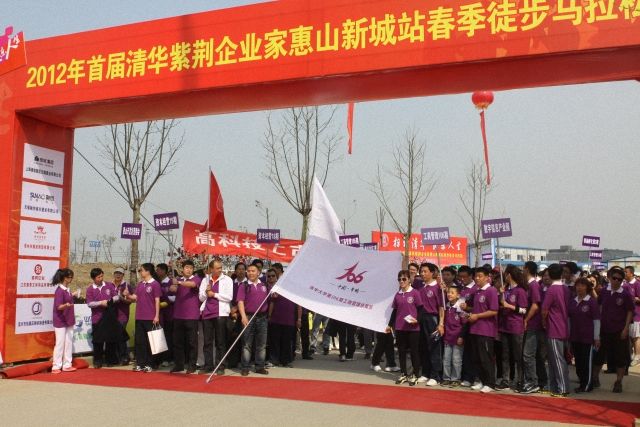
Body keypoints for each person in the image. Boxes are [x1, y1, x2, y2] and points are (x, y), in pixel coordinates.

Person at [593, 267, 634, 393]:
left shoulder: (625, 294)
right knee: (599, 356)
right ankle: (594, 378)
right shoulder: (604, 291)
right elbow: (599, 306)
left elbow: (630, 311)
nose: (616, 281)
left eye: (619, 279)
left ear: (622, 281)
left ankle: (618, 382)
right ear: (610, 278)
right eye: (614, 278)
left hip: (619, 331)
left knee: (620, 358)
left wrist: (626, 328)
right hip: (604, 329)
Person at [496, 265, 528, 391]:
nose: (504, 276)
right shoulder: (505, 290)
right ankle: (506, 380)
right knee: (505, 355)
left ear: (509, 275)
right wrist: (501, 294)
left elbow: (524, 310)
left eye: (505, 274)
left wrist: (509, 306)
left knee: (518, 355)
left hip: (516, 327)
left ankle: (520, 380)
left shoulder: (520, 291)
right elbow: (501, 304)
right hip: (504, 327)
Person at [389, 269, 423, 386]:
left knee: (414, 352)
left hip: (413, 328)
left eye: (404, 279)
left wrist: (417, 320)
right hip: (400, 328)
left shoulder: (415, 293)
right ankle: (403, 373)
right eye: (399, 279)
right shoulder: (398, 294)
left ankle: (415, 374)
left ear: (409, 280)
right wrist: (389, 325)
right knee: (401, 352)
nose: (401, 281)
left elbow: (421, 309)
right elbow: (394, 311)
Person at [199, 258, 233, 374]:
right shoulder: (205, 280)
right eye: (217, 268)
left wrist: (214, 294)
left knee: (220, 341)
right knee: (207, 341)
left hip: (221, 313)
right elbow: (201, 298)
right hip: (207, 313)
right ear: (211, 269)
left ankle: (220, 366)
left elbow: (229, 297)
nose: (220, 270)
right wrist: (206, 292)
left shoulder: (227, 279)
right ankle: (208, 365)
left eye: (220, 268)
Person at [125, 263, 161, 373]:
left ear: (148, 271)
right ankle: (140, 363)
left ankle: (150, 364)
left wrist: (156, 315)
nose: (140, 272)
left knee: (151, 342)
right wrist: (128, 295)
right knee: (140, 341)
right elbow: (135, 297)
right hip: (139, 316)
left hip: (150, 317)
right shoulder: (140, 284)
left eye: (142, 270)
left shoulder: (155, 284)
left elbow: (157, 300)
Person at [468, 265, 498, 393]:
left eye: (480, 276)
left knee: (486, 357)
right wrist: (467, 310)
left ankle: (490, 383)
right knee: (477, 357)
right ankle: (481, 380)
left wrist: (477, 316)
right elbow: (475, 309)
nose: (477, 278)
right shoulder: (477, 292)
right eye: (476, 276)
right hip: (475, 329)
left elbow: (494, 310)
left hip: (486, 330)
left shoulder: (491, 291)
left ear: (487, 277)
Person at [541, 263, 571, 397]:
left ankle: (563, 387)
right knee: (554, 359)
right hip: (563, 326)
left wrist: (543, 322)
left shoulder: (552, 289)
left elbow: (544, 310)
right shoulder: (565, 288)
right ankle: (553, 386)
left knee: (557, 359)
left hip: (554, 328)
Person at [568, 277, 600, 393]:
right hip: (575, 336)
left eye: (582, 285)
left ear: (587, 288)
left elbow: (596, 320)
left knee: (586, 362)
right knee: (578, 362)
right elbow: (569, 319)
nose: (579, 288)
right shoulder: (573, 301)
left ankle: (587, 385)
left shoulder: (591, 302)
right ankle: (582, 382)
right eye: (578, 285)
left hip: (587, 337)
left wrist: (596, 337)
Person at [170, 260, 202, 374]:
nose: (189, 270)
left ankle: (192, 365)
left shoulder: (196, 279)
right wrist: (173, 285)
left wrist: (178, 282)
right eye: (187, 267)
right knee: (177, 342)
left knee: (192, 342)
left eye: (191, 268)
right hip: (178, 315)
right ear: (182, 269)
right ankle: (179, 364)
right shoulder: (178, 280)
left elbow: (192, 285)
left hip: (191, 316)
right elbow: (172, 290)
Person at [237, 264, 270, 376]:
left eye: (253, 271)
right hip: (249, 317)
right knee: (247, 344)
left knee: (261, 344)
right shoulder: (244, 285)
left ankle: (260, 366)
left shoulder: (264, 285)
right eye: (249, 271)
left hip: (262, 317)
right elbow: (240, 301)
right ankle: (245, 367)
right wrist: (243, 316)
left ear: (258, 273)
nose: (250, 273)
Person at [521, 261, 546, 394]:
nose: (522, 271)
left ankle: (533, 382)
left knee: (528, 354)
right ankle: (534, 380)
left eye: (523, 268)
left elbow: (535, 305)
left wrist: (526, 319)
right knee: (532, 354)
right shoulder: (529, 285)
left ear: (527, 269)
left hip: (533, 324)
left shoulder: (534, 285)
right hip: (531, 324)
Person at [417, 262, 444, 386]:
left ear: (432, 273)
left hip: (433, 319)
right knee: (423, 347)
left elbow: (441, 307)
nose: (422, 274)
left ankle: (436, 376)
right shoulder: (421, 288)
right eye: (421, 271)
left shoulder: (438, 288)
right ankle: (425, 373)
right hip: (421, 319)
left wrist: (441, 323)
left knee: (434, 348)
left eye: (425, 271)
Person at [85, 268, 118, 368]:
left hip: (109, 317)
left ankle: (110, 360)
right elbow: (89, 303)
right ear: (93, 278)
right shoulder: (90, 289)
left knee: (110, 340)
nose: (101, 278)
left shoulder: (109, 285)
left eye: (101, 276)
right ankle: (98, 361)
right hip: (97, 318)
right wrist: (100, 303)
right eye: (98, 277)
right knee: (98, 341)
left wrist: (109, 301)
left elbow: (116, 297)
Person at [268, 269, 301, 367]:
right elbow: (272, 303)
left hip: (289, 320)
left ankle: (285, 361)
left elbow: (299, 306)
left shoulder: (295, 290)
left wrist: (299, 319)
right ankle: (274, 360)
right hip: (276, 319)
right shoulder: (277, 288)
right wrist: (269, 316)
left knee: (287, 342)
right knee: (275, 341)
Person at [442, 286, 467, 387]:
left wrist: (461, 336)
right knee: (446, 359)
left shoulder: (460, 308)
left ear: (458, 295)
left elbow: (464, 324)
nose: (449, 294)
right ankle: (446, 378)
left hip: (457, 338)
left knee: (456, 360)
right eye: (448, 292)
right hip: (447, 338)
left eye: (452, 292)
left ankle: (455, 379)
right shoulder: (446, 307)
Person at [52, 268, 76, 374]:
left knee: (68, 343)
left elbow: (68, 300)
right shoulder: (59, 291)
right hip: (60, 320)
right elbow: (58, 306)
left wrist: (73, 295)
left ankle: (67, 364)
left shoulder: (67, 290)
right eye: (69, 277)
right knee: (60, 343)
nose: (71, 279)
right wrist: (66, 305)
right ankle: (56, 366)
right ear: (64, 278)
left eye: (71, 277)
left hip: (69, 319)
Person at [458, 265, 477, 387]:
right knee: (463, 353)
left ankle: (472, 377)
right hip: (459, 324)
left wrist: (467, 308)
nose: (462, 279)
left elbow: (478, 308)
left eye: (464, 277)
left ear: (471, 276)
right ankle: (464, 376)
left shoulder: (475, 290)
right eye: (460, 277)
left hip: (471, 324)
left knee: (472, 352)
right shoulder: (461, 288)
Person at [113, 267, 132, 365]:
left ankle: (124, 357)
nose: (118, 275)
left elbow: (130, 301)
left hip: (123, 315)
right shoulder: (110, 285)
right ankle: (119, 357)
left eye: (120, 273)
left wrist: (121, 298)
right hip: (112, 315)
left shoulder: (127, 286)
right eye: (116, 273)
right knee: (116, 336)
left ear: (123, 275)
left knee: (120, 336)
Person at [157, 263, 174, 366]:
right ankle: (160, 358)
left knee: (168, 337)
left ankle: (168, 358)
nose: (157, 272)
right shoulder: (157, 283)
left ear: (164, 271)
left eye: (158, 270)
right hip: (159, 315)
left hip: (169, 315)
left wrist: (164, 303)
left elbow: (174, 298)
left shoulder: (171, 283)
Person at [624, 266, 640, 367]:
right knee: (629, 337)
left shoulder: (637, 284)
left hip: (636, 315)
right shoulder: (624, 285)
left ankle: (637, 356)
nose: (624, 274)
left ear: (631, 273)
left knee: (635, 337)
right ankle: (630, 356)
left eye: (626, 272)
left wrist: (636, 299)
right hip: (626, 315)